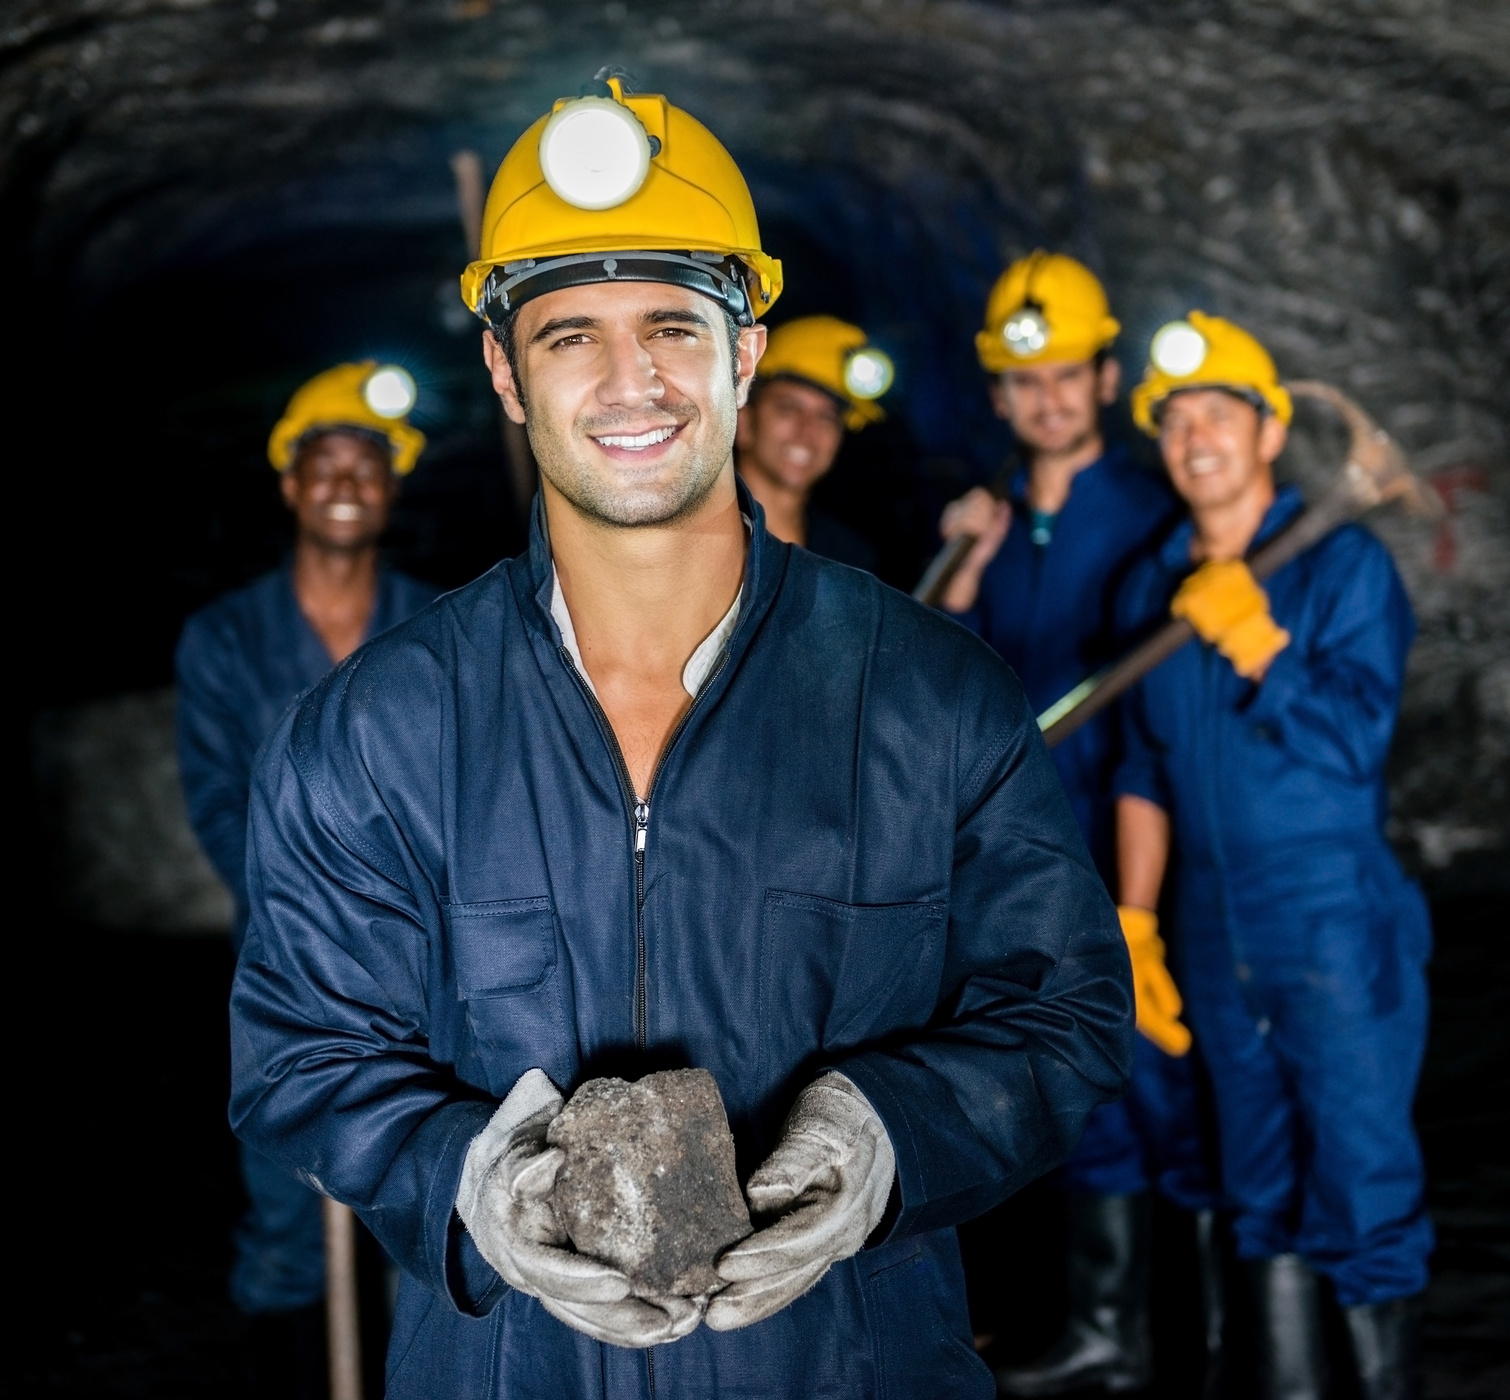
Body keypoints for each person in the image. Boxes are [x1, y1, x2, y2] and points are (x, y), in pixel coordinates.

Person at [228, 72, 1134, 1399]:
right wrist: (474, 1181)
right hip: (509, 1372)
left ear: (747, 348)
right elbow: (301, 1050)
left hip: (851, 1366)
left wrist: (890, 1134)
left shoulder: (932, 697)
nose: (629, 381)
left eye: (670, 323)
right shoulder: (379, 729)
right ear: (504, 370)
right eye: (568, 336)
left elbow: (1064, 1013)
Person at [1114, 313, 1431, 1400]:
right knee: (1255, 1185)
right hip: (1205, 920)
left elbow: (1354, 740)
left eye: (1217, 411)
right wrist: (1136, 918)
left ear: (1266, 429)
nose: (1192, 435)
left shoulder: (1340, 564)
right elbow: (1143, 770)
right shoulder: (1148, 581)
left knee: (1360, 1177)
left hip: (1326, 909)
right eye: (1173, 418)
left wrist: (1258, 642)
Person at [937, 255, 1213, 1398]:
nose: (1047, 396)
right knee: (1073, 1065)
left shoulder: (1155, 518)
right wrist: (962, 564)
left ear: (1104, 378)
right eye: (1022, 378)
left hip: (1134, 832)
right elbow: (936, 679)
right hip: (1020, 849)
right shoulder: (984, 522)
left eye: (1067, 373)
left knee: (1168, 1077)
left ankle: (1195, 1331)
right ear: (997, 394)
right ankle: (1105, 1330)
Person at [175, 360, 438, 1368]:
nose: (344, 481)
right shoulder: (225, 638)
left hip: (426, 976)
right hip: (284, 977)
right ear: (290, 484)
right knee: (289, 1214)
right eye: (323, 461)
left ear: (391, 489)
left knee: (419, 1201)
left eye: (366, 465)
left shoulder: (438, 628)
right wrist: (316, 918)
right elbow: (215, 801)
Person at [734, 314, 891, 570]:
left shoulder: (848, 562)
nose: (808, 431)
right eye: (788, 408)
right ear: (743, 422)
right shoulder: (685, 537)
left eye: (826, 418)